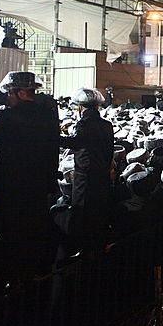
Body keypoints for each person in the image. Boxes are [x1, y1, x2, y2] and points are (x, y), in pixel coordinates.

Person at [0, 71, 60, 285]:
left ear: (20, 93)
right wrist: (48, 186)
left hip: (10, 190)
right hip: (38, 190)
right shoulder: (48, 118)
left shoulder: (7, 118)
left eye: (9, 93)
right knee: (33, 235)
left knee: (10, 237)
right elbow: (52, 153)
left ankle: (12, 281)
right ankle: (32, 278)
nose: (8, 98)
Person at [59, 87, 115, 252]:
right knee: (99, 211)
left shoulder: (82, 124)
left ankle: (82, 248)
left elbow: (75, 143)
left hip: (85, 177)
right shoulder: (107, 125)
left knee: (82, 212)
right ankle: (98, 244)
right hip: (102, 176)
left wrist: (51, 137)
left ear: (80, 107)